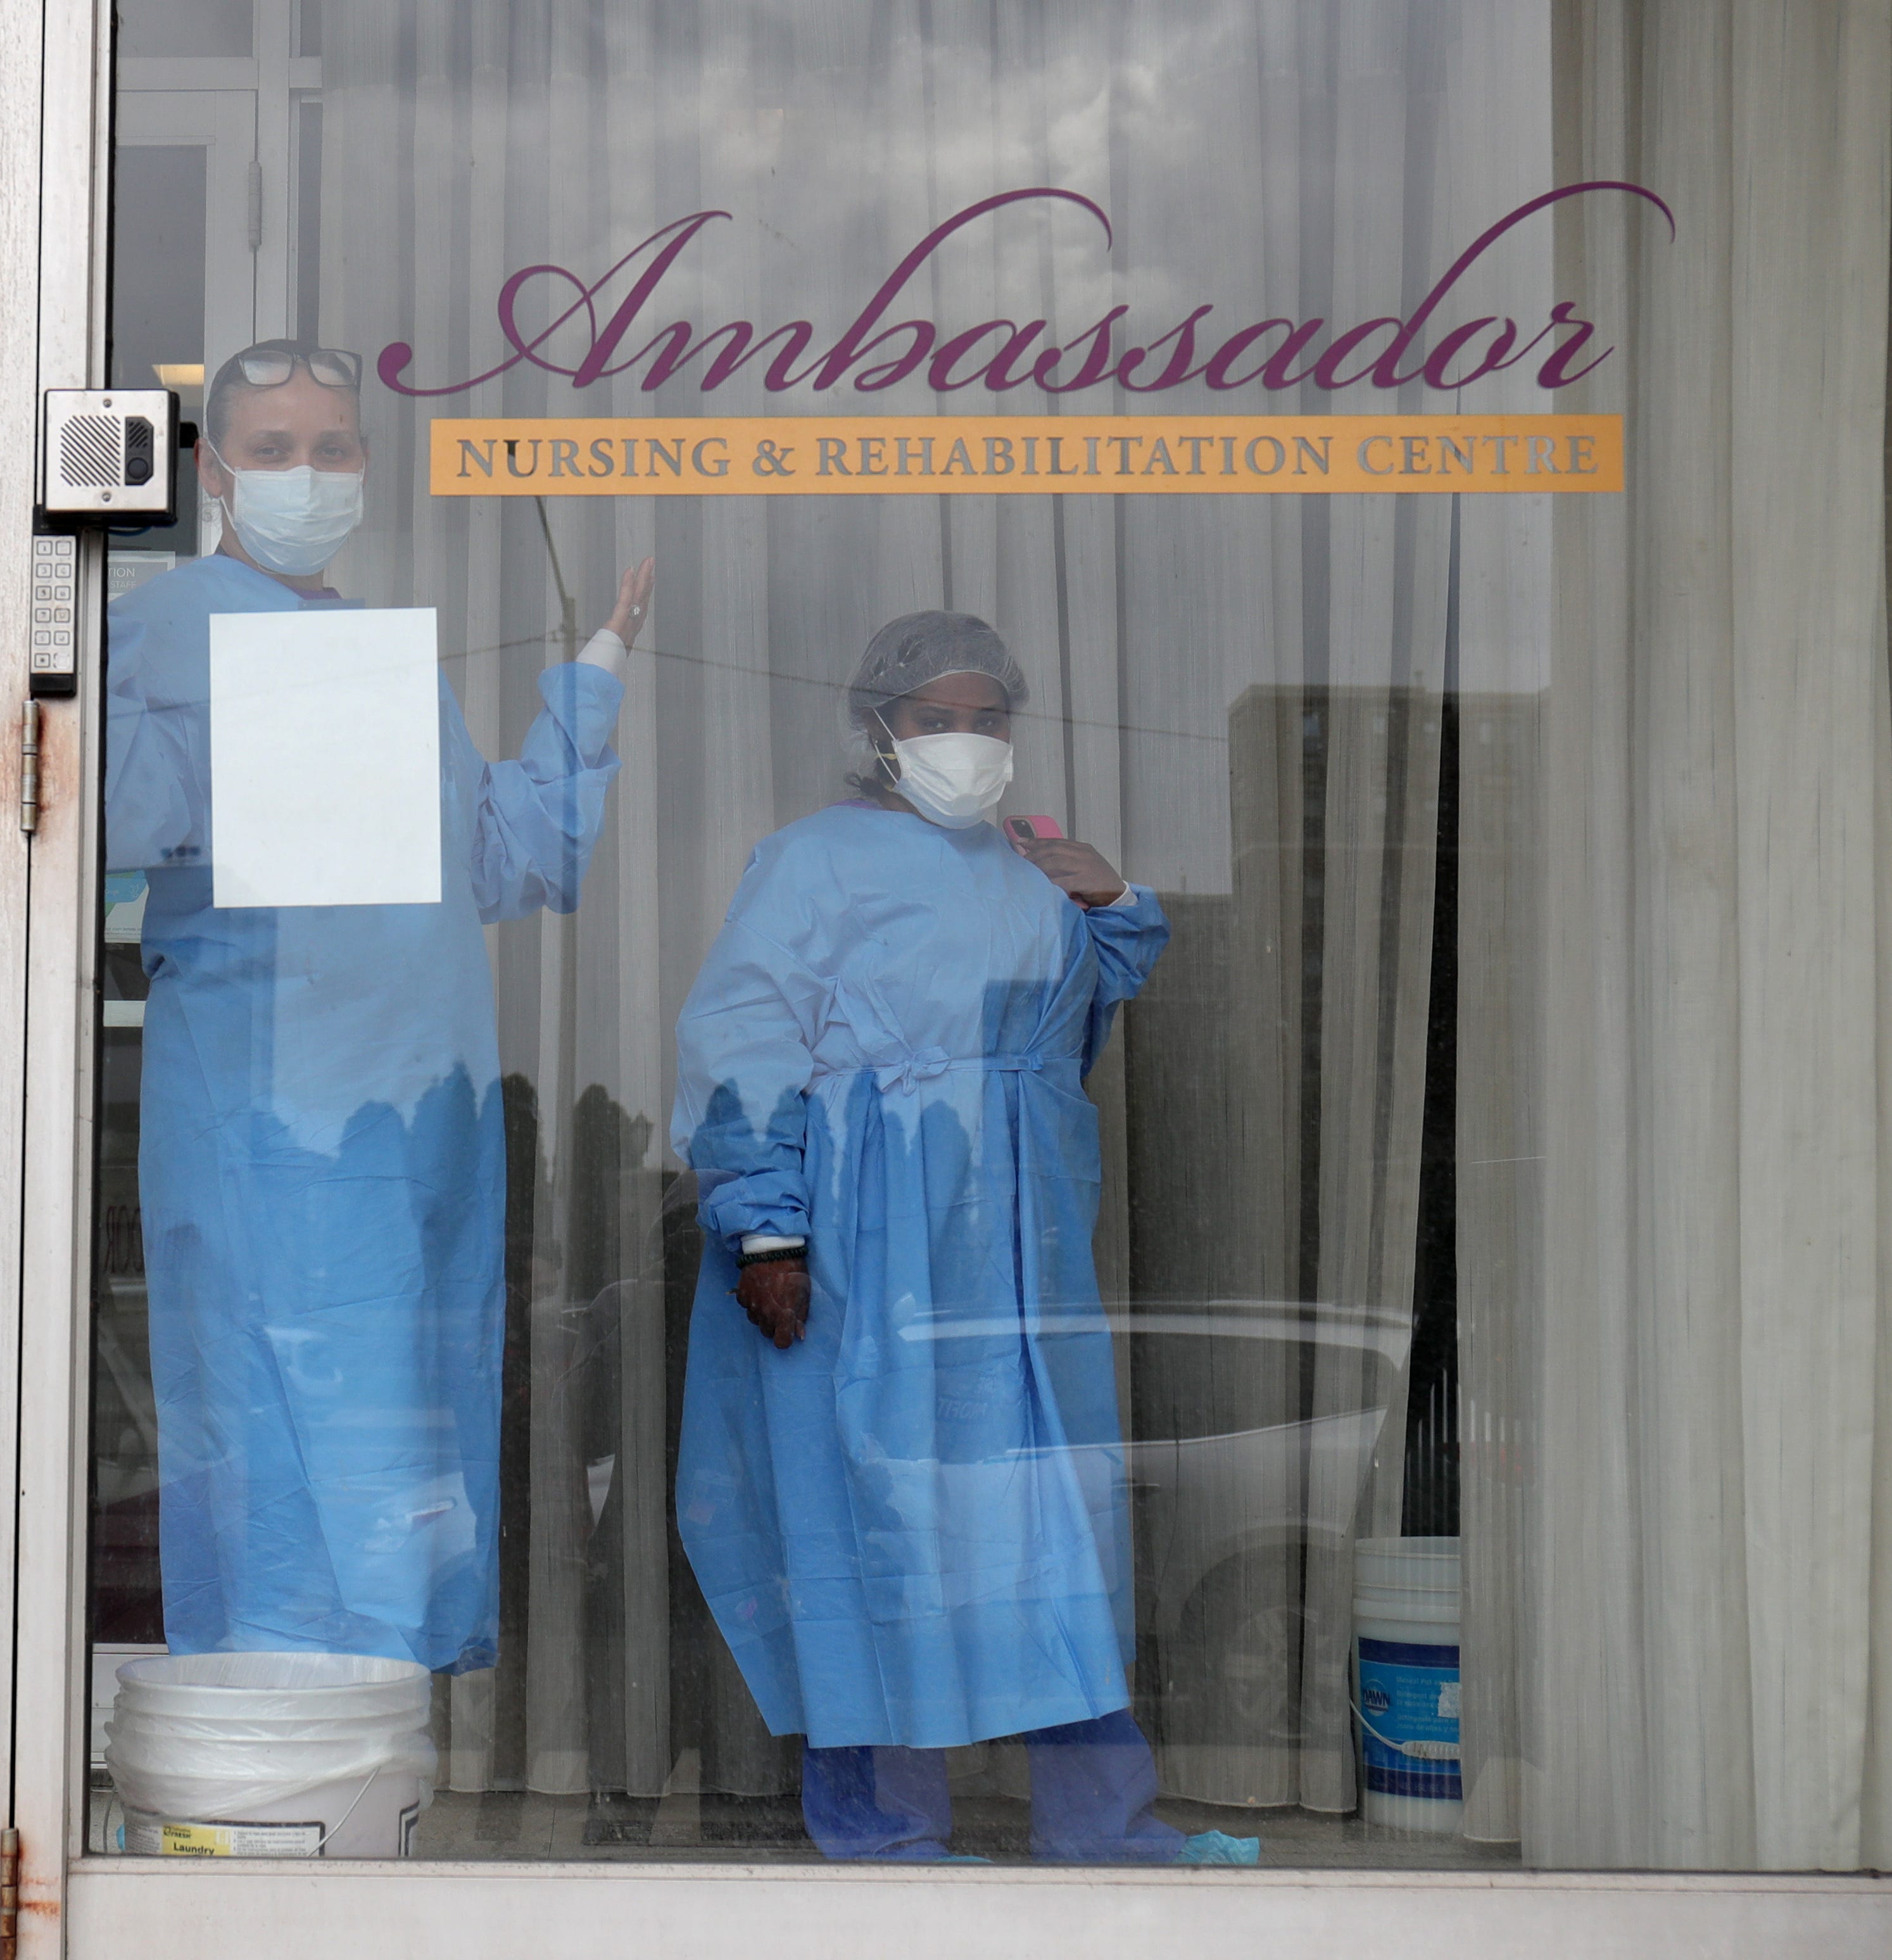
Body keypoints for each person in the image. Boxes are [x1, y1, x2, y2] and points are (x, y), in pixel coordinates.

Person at [670, 611, 1253, 1865]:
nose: (968, 741)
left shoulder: (1024, 864)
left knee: (1049, 1523)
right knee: (877, 1520)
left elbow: (1062, 1029)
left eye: (990, 719)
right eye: (938, 718)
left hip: (1016, 1249)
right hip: (874, 1239)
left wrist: (1110, 900)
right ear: (876, 729)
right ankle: (883, 1833)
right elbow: (745, 1039)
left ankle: (1103, 1824)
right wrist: (766, 1229)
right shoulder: (811, 862)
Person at [106, 339, 653, 1673]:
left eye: (334, 447)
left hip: (418, 1112)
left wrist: (588, 685)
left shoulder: (384, 658)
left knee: (403, 1415)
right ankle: (285, 1710)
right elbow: (110, 831)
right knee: (283, 1407)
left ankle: (363, 1725)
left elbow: (507, 863)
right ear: (210, 467)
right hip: (274, 1112)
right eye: (275, 448)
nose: (308, 473)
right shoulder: (166, 625)